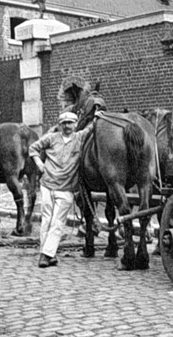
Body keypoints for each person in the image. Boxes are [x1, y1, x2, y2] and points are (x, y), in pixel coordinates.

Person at [29, 110, 99, 268]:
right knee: (46, 220)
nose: (67, 126)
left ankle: (45, 255)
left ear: (75, 124)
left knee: (57, 221)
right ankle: (49, 254)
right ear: (60, 125)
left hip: (66, 188)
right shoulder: (52, 138)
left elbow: (91, 127)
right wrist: (39, 163)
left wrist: (97, 115)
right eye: (64, 123)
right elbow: (33, 148)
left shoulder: (79, 138)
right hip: (47, 185)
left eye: (70, 123)